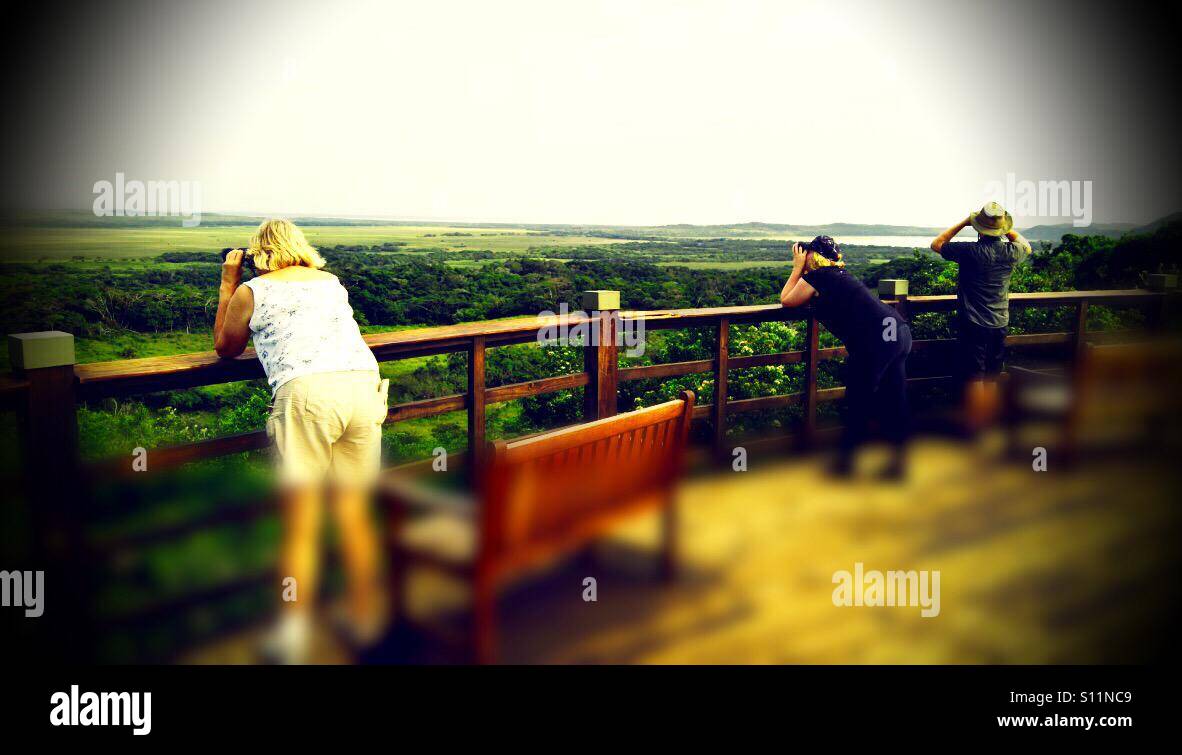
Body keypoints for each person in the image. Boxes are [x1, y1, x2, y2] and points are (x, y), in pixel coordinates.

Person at [214, 218, 389, 663]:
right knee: (353, 512)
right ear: (300, 245)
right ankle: (366, 620)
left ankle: (292, 638)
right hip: (364, 387)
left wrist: (228, 282)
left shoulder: (253, 291)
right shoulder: (330, 282)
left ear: (259, 252)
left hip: (308, 393)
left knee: (302, 524)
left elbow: (225, 346)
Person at [780, 236, 912, 477]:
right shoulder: (840, 275)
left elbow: (787, 300)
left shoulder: (818, 277)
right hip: (898, 332)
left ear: (813, 256)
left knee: (858, 399)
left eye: (805, 253)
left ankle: (846, 462)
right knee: (894, 398)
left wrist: (797, 268)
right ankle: (898, 463)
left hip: (876, 341)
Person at [929, 202, 1032, 432]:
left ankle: (976, 427)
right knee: (992, 376)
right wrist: (1005, 228)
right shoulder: (1012, 251)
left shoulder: (970, 251)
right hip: (1000, 321)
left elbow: (937, 244)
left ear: (978, 228)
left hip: (973, 323)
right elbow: (1027, 246)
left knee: (975, 377)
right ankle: (990, 423)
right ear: (1002, 228)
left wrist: (966, 221)